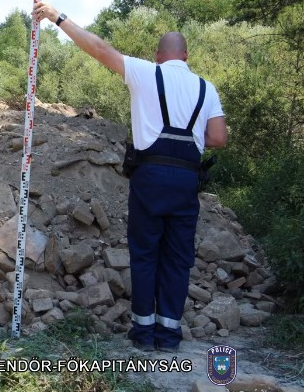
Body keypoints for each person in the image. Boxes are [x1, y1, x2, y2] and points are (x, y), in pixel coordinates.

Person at [33, 2, 228, 352]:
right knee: (178, 257)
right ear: (186, 55)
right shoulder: (207, 89)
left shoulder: (144, 72)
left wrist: (58, 17)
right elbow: (218, 139)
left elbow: (98, 47)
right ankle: (169, 335)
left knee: (144, 252)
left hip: (150, 176)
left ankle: (143, 332)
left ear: (158, 56)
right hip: (186, 181)